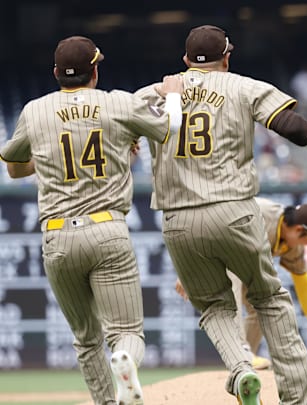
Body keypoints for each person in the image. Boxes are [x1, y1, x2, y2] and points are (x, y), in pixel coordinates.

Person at [134, 25, 307, 405]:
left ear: (184, 60)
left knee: (214, 305)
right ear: (227, 57)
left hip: (177, 219)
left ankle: (241, 367)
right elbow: (291, 126)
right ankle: (299, 398)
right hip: (234, 209)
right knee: (269, 299)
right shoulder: (244, 86)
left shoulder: (155, 92)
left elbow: (114, 132)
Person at [0, 35, 183, 405]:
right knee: (127, 331)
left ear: (55, 73)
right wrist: (175, 94)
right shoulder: (117, 103)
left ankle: (105, 403)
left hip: (57, 236)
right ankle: (126, 360)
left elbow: (14, 166)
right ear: (95, 71)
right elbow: (170, 129)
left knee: (85, 339)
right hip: (107, 229)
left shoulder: (34, 110)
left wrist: (47, 157)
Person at [175, 199, 307, 366]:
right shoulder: (255, 217)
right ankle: (241, 354)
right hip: (215, 241)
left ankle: (243, 365)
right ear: (299, 229)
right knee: (232, 283)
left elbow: (303, 284)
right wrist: (189, 270)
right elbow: (208, 226)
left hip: (241, 257)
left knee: (263, 300)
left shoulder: (292, 243)